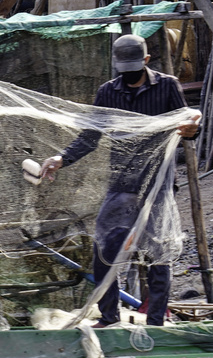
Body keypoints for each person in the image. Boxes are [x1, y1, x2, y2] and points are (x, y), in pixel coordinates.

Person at [36, 34, 200, 326]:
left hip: (157, 184)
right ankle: (109, 316)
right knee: (106, 248)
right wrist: (61, 159)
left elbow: (188, 123)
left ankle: (156, 321)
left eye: (135, 70)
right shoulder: (108, 92)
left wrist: (190, 130)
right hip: (122, 183)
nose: (129, 76)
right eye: (124, 71)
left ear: (147, 61)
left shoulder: (166, 86)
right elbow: (90, 137)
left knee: (157, 252)